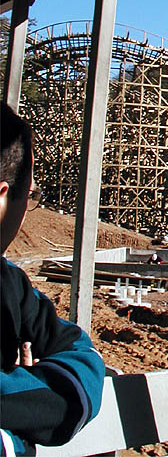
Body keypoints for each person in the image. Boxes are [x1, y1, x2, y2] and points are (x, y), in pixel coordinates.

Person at [0, 103, 105, 455]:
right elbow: (55, 407)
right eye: (31, 197)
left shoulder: (11, 286)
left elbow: (80, 351)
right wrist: (22, 418)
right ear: (2, 194)